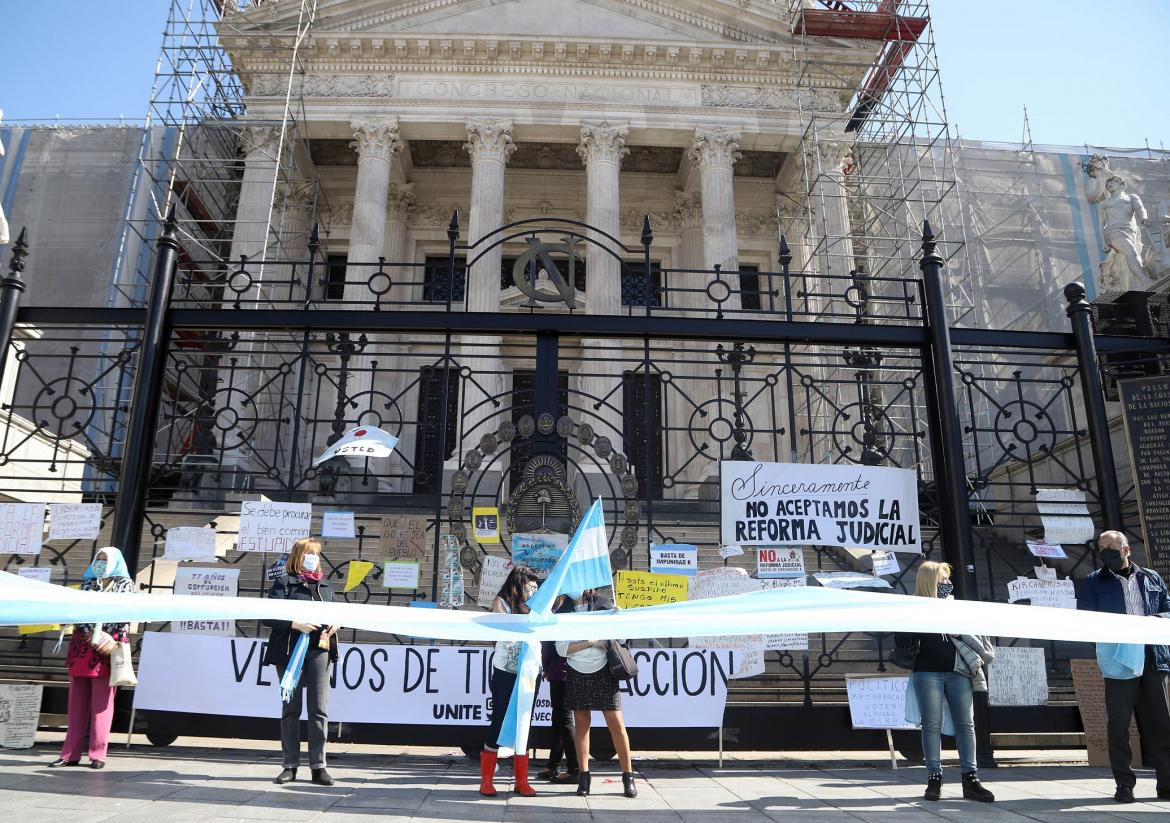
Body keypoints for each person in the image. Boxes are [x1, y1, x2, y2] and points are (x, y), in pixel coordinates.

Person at [1076, 530, 1170, 803]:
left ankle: (1166, 783)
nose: (1105, 551)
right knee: (1118, 726)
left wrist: (1152, 620)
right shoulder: (1094, 581)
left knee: (1161, 724)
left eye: (1111, 547)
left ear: (1126, 549)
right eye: (1101, 547)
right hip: (1118, 659)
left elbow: (1167, 608)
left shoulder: (1151, 577)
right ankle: (1124, 785)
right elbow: (1086, 618)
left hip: (1153, 657)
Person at [893, 561, 995, 803]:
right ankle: (934, 778)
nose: (948, 584)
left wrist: (958, 631)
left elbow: (978, 637)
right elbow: (901, 639)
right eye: (943, 580)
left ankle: (970, 778)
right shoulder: (914, 608)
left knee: (966, 724)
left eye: (948, 580)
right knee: (931, 725)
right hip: (927, 671)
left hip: (958, 671)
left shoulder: (957, 608)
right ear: (930, 582)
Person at [262, 537, 339, 786]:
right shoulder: (283, 583)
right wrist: (294, 624)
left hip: (319, 650)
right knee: (291, 709)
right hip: (289, 651)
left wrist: (336, 624)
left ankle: (319, 767)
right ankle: (290, 765)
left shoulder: (325, 585)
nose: (313, 558)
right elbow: (268, 616)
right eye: (309, 553)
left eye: (316, 554)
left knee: (319, 710)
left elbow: (337, 613)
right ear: (298, 556)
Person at [51, 547, 135, 769]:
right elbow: (78, 611)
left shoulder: (125, 585)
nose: (100, 562)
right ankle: (69, 753)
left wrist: (108, 637)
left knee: (102, 704)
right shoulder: (88, 583)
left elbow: (125, 614)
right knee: (76, 703)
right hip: (83, 647)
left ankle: (98, 754)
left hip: (106, 649)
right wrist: (88, 632)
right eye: (98, 558)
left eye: (105, 559)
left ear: (115, 562)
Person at [556, 588, 637, 799]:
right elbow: (562, 648)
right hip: (577, 671)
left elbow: (621, 637)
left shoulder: (603, 603)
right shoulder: (563, 609)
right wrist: (591, 643)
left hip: (603, 670)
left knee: (616, 724)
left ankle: (628, 777)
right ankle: (584, 777)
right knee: (581, 725)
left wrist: (619, 618)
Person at [480, 565, 542, 797]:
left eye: (536, 589)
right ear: (517, 586)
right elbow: (500, 631)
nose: (533, 593)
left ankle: (521, 780)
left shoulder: (537, 608)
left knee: (524, 722)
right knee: (499, 721)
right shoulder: (501, 603)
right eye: (529, 588)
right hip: (506, 670)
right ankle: (486, 780)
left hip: (529, 672)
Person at [538, 594, 580, 783]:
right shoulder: (556, 607)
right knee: (558, 720)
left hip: (564, 671)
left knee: (564, 719)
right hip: (555, 671)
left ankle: (574, 768)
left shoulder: (567, 609)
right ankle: (553, 765)